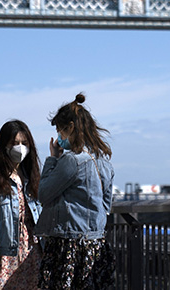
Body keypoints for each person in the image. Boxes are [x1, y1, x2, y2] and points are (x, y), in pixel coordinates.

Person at [36, 93, 115, 289]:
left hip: (69, 245)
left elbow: (44, 194)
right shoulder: (103, 162)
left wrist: (52, 159)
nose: (59, 137)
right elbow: (106, 205)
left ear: (70, 127)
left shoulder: (72, 160)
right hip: (95, 245)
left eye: (59, 131)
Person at [0, 119, 43, 289]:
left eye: (24, 143)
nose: (20, 147)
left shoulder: (31, 176)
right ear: (4, 145)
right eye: (15, 143)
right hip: (6, 253)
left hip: (33, 250)